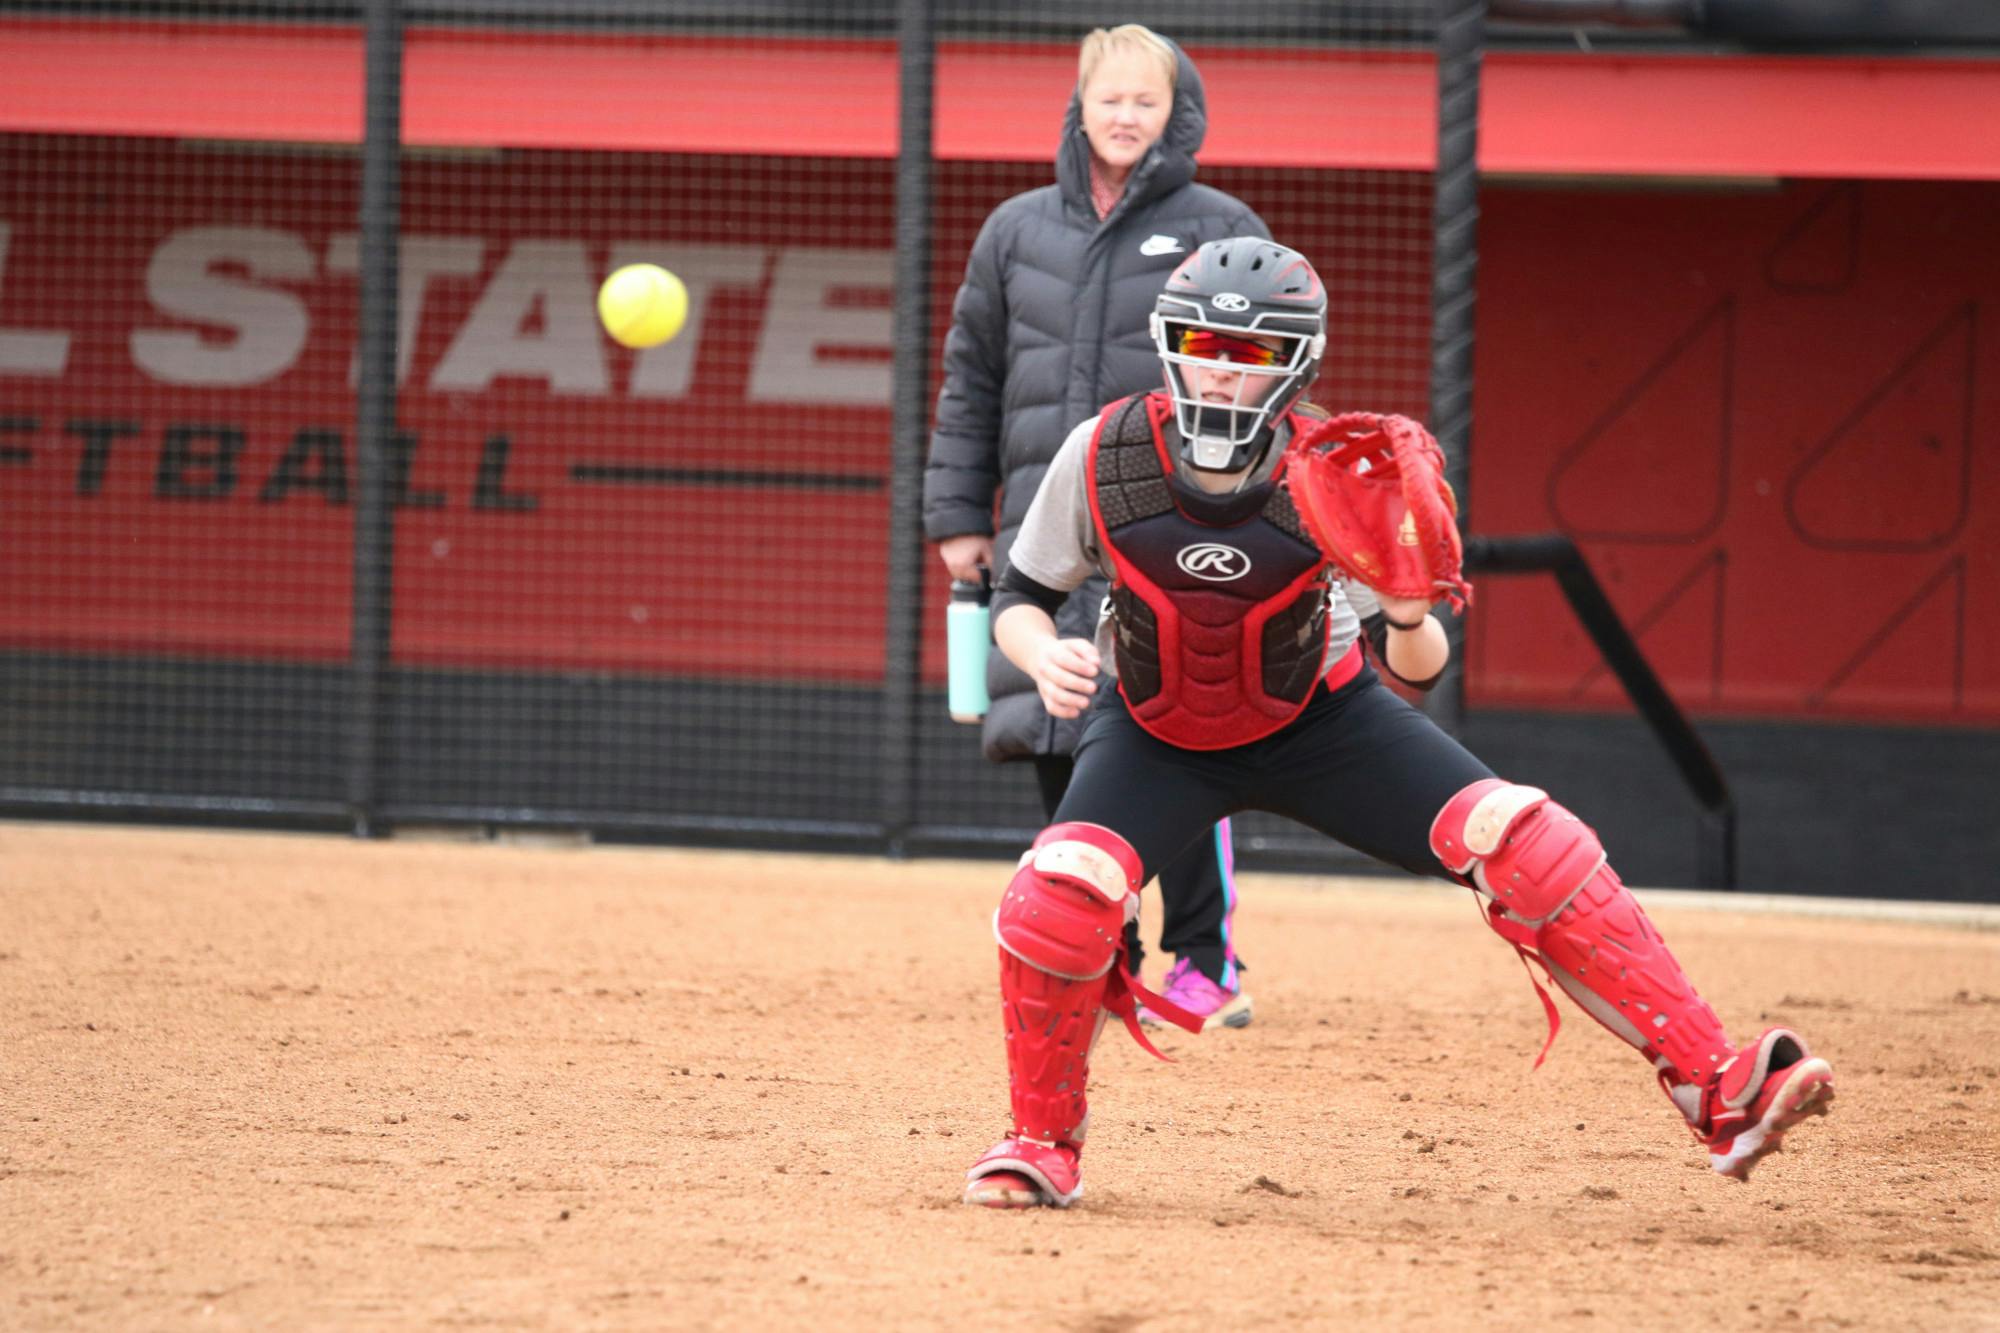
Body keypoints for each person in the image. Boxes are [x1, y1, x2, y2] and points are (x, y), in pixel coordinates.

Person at [959, 236, 1836, 1209]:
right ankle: (1041, 1144)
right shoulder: (1105, 450)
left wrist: (1409, 609)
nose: (1220, 365)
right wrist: (1041, 655)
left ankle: (1714, 1084)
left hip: (1323, 721)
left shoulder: (1338, 468)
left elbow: (1415, 668)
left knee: (1528, 842)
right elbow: (1023, 594)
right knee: (1058, 889)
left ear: (1294, 362)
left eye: (1249, 354)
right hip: (1153, 727)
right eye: (1202, 341)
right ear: (1169, 340)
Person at [926, 24, 1270, 1028]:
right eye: (1109, 99)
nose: (1125, 117)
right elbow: (970, 380)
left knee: (1177, 728)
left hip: (1167, 518)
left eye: (1145, 103)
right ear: (1079, 105)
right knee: (1052, 720)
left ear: (1177, 114)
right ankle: (1103, 954)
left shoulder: (1217, 225)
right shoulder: (1014, 231)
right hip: (1044, 514)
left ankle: (1202, 957)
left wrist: (1231, 496)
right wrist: (958, 518)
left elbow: (1257, 371)